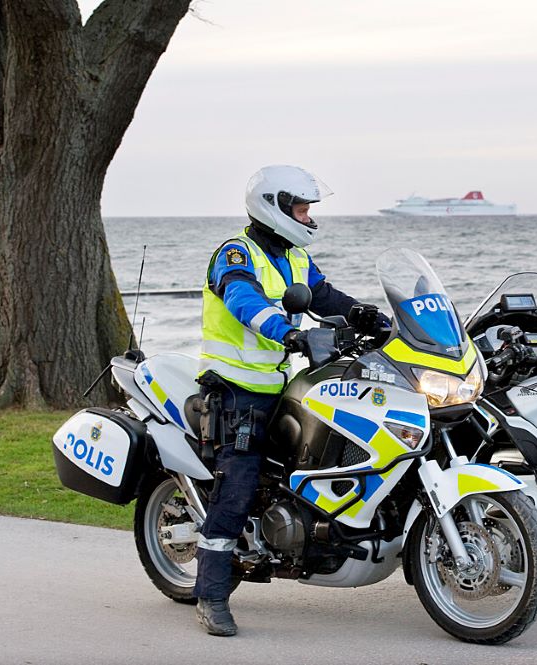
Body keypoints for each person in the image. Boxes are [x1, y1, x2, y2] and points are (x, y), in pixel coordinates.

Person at [193, 164, 388, 636]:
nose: (308, 216)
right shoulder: (236, 253)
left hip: (281, 386)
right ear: (274, 207)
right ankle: (212, 595)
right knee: (236, 485)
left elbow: (322, 294)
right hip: (237, 390)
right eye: (301, 207)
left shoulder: (295, 258)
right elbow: (244, 301)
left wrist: (370, 316)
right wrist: (292, 334)